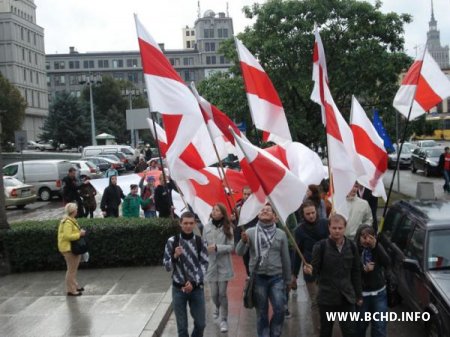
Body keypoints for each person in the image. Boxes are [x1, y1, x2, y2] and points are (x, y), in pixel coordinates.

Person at [236, 204, 291, 337]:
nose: (265, 210)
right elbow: (239, 252)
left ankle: (274, 333)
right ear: (258, 215)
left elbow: (285, 258)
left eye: (268, 210)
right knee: (261, 312)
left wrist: (288, 280)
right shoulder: (249, 232)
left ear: (275, 216)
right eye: (262, 210)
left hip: (276, 278)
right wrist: (243, 242)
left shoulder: (281, 234)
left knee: (280, 309)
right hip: (258, 278)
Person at [304, 213, 362, 337]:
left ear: (345, 228)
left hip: (346, 298)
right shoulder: (320, 246)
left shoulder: (352, 246)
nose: (337, 231)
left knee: (350, 332)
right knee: (325, 331)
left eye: (340, 228)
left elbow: (356, 272)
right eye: (334, 228)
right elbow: (314, 271)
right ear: (329, 228)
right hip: (327, 299)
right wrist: (310, 270)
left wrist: (359, 295)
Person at [163, 211, 209, 337]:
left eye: (191, 223)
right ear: (180, 223)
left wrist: (194, 282)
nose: (188, 226)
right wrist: (174, 256)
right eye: (185, 223)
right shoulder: (172, 242)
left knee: (201, 324)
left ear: (195, 224)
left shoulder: (201, 242)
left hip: (196, 289)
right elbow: (167, 267)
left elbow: (205, 264)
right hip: (178, 289)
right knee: (182, 329)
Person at [291, 200, 329, 333]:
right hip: (309, 268)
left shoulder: (325, 223)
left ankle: (328, 327)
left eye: (313, 212)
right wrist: (294, 274)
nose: (311, 216)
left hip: (327, 267)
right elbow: (297, 252)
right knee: (315, 301)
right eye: (308, 214)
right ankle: (318, 330)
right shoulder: (299, 230)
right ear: (303, 214)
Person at [202, 203, 234, 333]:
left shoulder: (228, 227)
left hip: (224, 265)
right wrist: (205, 248)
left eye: (217, 210)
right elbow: (203, 245)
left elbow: (232, 247)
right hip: (210, 265)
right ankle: (217, 306)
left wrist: (217, 248)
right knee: (214, 294)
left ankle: (224, 319)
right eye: (213, 210)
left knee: (222, 294)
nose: (214, 212)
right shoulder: (206, 227)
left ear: (222, 213)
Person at [355, 225, 390, 337]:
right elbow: (349, 270)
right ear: (359, 237)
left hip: (379, 293)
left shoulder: (377, 248)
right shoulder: (354, 249)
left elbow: (387, 262)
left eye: (370, 237)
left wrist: (376, 247)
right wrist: (363, 269)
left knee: (379, 327)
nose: (367, 240)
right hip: (362, 295)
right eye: (364, 237)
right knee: (360, 326)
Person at [57, 202, 86, 296]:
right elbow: (67, 236)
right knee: (71, 270)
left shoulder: (71, 220)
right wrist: (79, 234)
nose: (77, 210)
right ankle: (71, 290)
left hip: (71, 248)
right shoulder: (67, 222)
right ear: (73, 211)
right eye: (76, 209)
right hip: (68, 249)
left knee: (73, 269)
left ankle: (75, 286)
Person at [234, 186, 258, 276]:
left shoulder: (257, 206)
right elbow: (236, 224)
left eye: (249, 194)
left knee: (255, 257)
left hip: (254, 235)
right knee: (246, 258)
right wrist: (233, 219)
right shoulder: (238, 206)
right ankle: (249, 276)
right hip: (243, 236)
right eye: (245, 194)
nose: (247, 196)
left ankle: (254, 276)